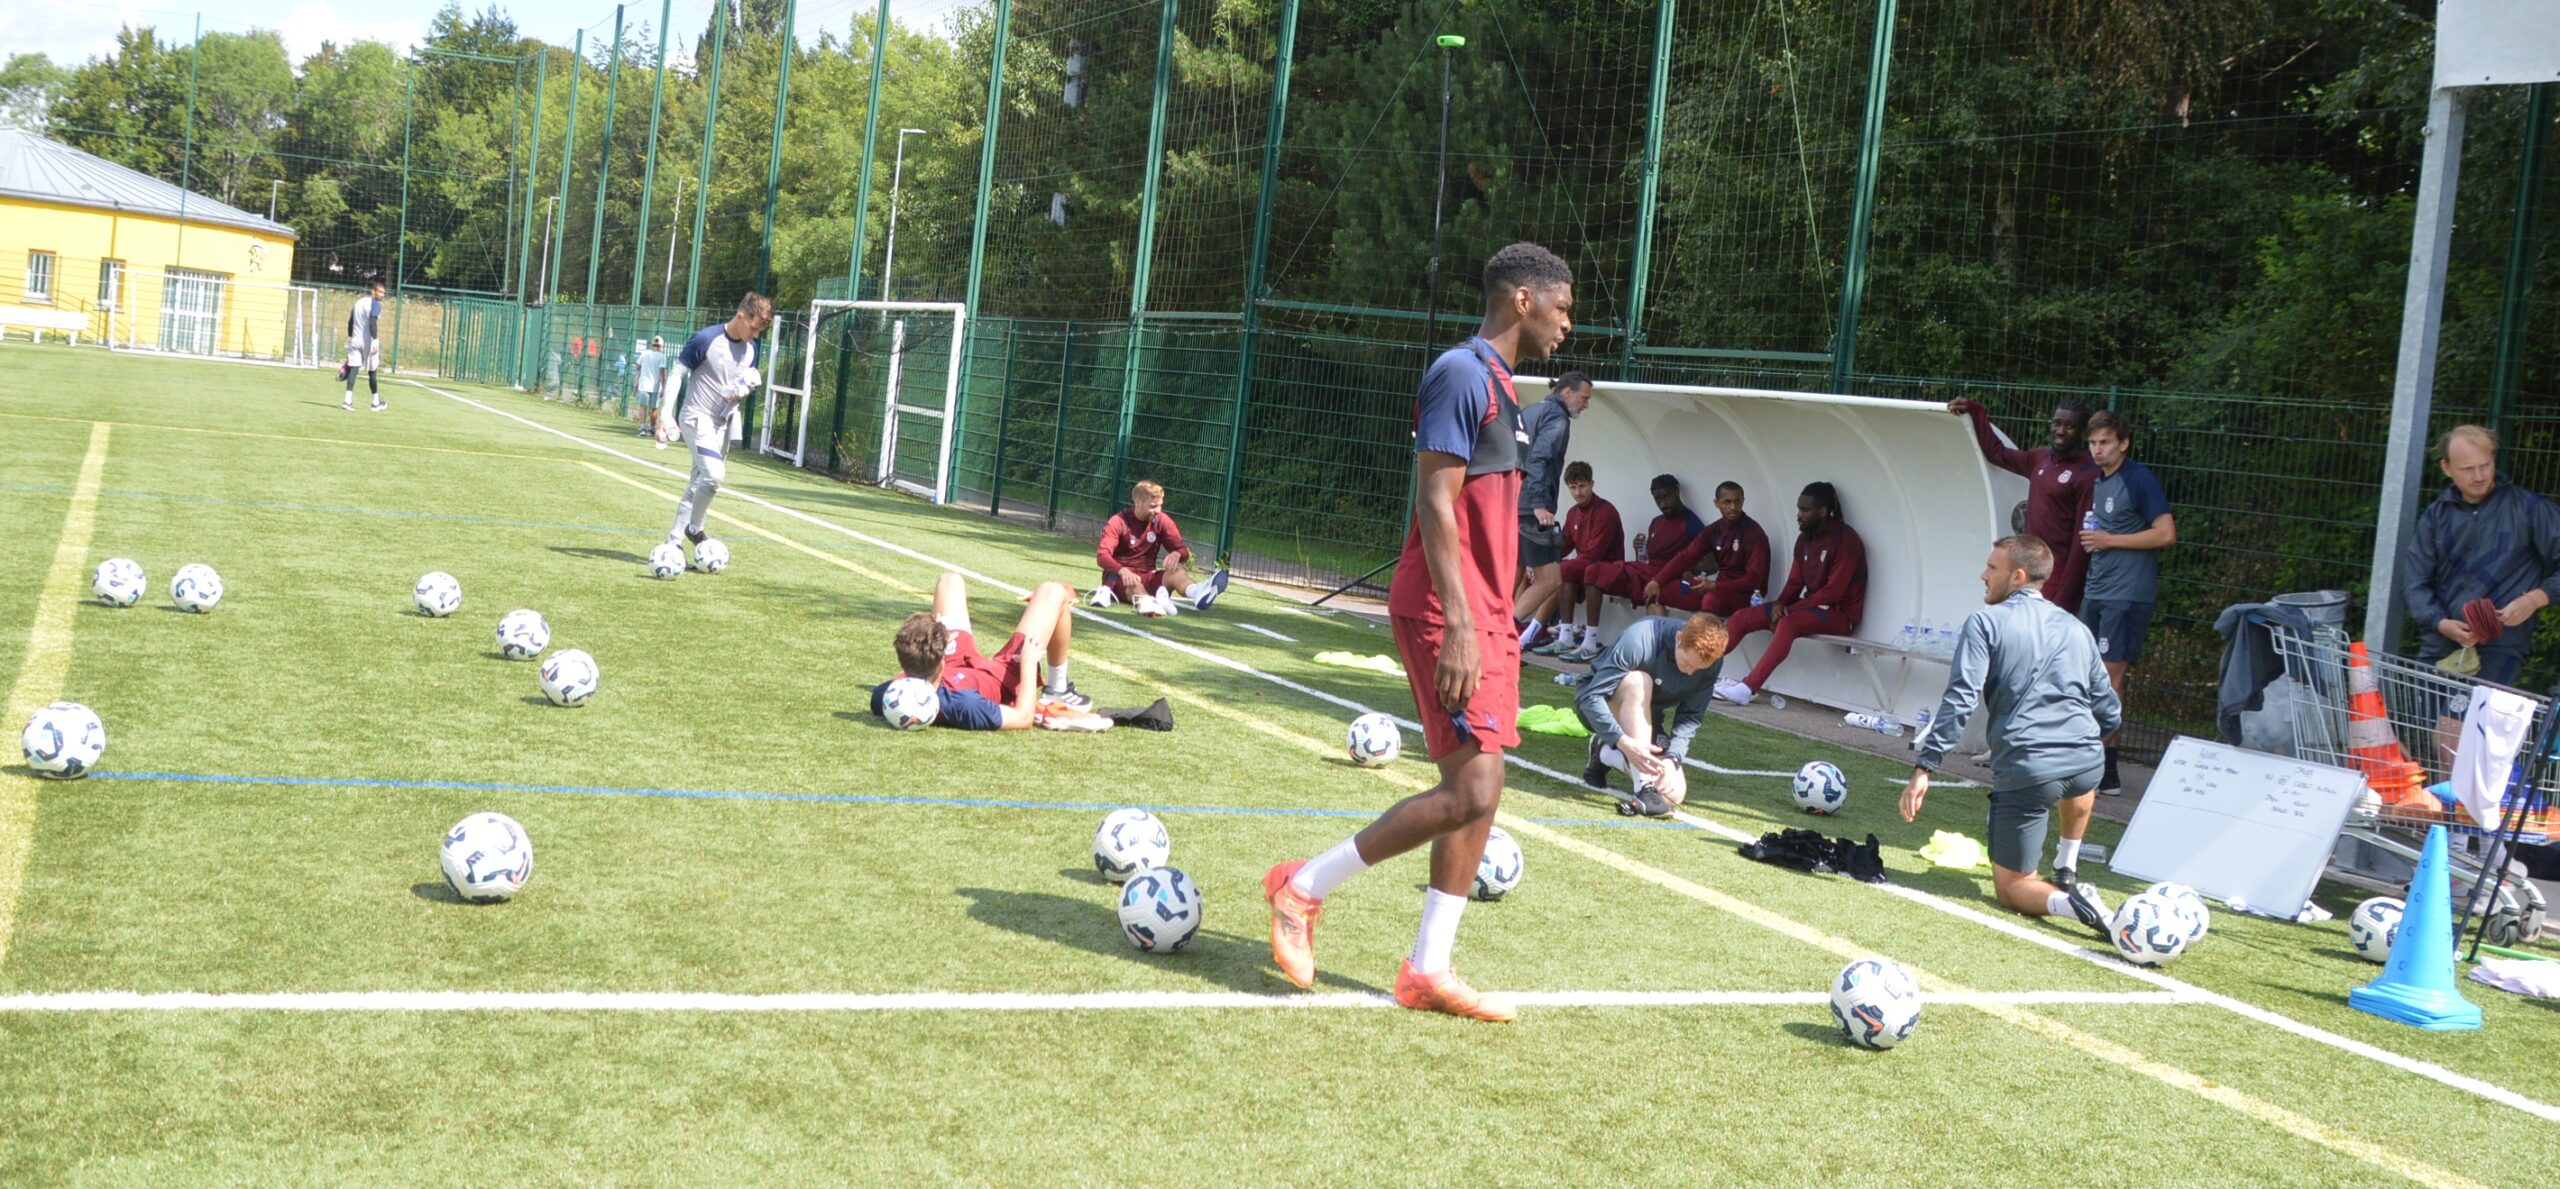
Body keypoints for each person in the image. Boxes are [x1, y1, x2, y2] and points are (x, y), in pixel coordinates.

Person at [1263, 241, 1574, 1023]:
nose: (1568, 323)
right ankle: (1302, 887)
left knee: (1482, 794)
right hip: (1446, 609)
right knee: (1473, 786)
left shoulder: (1505, 387)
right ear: (1524, 300)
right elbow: (1436, 500)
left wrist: (1500, 616)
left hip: (1489, 615)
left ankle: (1429, 968)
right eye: (1563, 307)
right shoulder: (1461, 373)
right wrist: (1463, 623)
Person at [1899, 536, 2116, 938]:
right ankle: (2067, 867)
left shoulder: (1985, 622)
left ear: (2017, 576)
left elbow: (1961, 697)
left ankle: (2071, 902)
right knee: (2078, 772)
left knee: (2013, 888)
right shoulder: (2076, 627)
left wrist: (1925, 766)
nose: (1983, 575)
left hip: (2029, 768)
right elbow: (2109, 708)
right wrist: (2082, 738)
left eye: (1991, 568)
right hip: (2087, 763)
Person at [2403, 424, 2560, 691]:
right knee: (2424, 718)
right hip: (2440, 643)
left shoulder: (2531, 509)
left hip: (2501, 646)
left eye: (2485, 466)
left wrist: (2535, 599)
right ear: (2446, 467)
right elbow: (2415, 580)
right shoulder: (2435, 516)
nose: (2479, 476)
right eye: (2467, 469)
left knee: (2465, 719)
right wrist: (2440, 623)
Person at [2075, 411, 2175, 794]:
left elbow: (2165, 534)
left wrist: (2110, 541)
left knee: (2109, 676)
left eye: (2105, 442)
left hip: (2127, 593)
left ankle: (2107, 769)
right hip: (2098, 589)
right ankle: (2084, 757)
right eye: (2093, 443)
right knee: (2086, 672)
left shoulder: (2139, 479)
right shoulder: (2099, 480)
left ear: (2123, 444)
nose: (2097, 450)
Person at [870, 573, 1095, 730]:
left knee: (950, 581)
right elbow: (1023, 718)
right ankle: (1057, 688)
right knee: (1054, 592)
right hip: (1002, 676)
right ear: (941, 660)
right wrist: (1028, 664)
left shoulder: (887, 694)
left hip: (956, 667)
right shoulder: (964, 704)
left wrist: (934, 631)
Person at [1716, 482, 1866, 705]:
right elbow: (1795, 582)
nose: (1799, 515)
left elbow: (1832, 593)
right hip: (1808, 607)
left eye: (1805, 510)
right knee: (1741, 617)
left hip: (1839, 614)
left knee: (1788, 624)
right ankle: (1699, 668)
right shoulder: (1804, 539)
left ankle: (1747, 688)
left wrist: (1789, 610)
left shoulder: (1846, 541)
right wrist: (1781, 604)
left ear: (1823, 511)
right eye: (1799, 509)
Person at [1574, 612, 1729, 818]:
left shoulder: (1713, 663)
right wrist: (1621, 740)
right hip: (1602, 708)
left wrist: (1673, 758)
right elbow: (1591, 698)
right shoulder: (1639, 640)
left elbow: (1690, 717)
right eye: (1687, 663)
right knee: (1638, 681)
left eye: (1699, 669)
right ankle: (1643, 787)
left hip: (1648, 718)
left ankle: (1605, 754)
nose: (1690, 672)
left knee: (1673, 793)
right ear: (1679, 638)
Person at [1946, 397, 2096, 610]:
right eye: (2057, 423)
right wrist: (1976, 411)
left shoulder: (2087, 474)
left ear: (2083, 432)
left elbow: (2081, 542)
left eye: (2069, 426)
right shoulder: (2040, 459)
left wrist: (2066, 595)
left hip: (2056, 576)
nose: (2061, 431)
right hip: (2027, 570)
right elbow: (1997, 453)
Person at [654, 293, 777, 549]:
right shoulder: (706, 339)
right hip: (696, 417)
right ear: (741, 316)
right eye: (754, 328)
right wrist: (665, 414)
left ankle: (674, 542)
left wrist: (743, 389)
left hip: (723, 423)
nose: (756, 335)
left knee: (699, 482)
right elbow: (677, 373)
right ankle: (695, 529)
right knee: (713, 475)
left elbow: (737, 383)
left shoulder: (751, 349)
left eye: (760, 331)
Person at [1570, 475, 1707, 652]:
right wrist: (1639, 549)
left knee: (1655, 595)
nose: (1663, 503)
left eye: (1666, 497)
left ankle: (1658, 651)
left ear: (1676, 492)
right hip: (1645, 574)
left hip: (1667, 579)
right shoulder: (1656, 522)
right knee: (1594, 571)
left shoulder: (1691, 523)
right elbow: (1649, 560)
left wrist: (1688, 570)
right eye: (1658, 499)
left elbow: (1709, 562)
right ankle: (1588, 640)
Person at [1513, 371, 1595, 651]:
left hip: (1511, 501)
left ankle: (1494, 634)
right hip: (1530, 507)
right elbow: (1538, 458)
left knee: (1512, 576)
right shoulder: (1558, 419)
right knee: (1551, 579)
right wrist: (1539, 504)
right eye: (1584, 398)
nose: (1586, 405)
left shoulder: (1530, 410)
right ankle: (1505, 637)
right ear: (1567, 393)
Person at [1527, 461, 1622, 659]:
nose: (1578, 492)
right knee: (1563, 570)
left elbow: (1595, 554)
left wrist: (1556, 567)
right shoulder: (1573, 513)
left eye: (1582, 486)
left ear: (1592, 484)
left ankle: (1590, 642)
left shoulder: (1606, 511)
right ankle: (1565, 637)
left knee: (1567, 569)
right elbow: (1564, 546)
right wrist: (1542, 564)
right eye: (1573, 487)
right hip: (1586, 567)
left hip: (1611, 569)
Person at [1641, 480, 1769, 622]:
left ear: (1743, 501)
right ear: (1717, 503)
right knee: (1659, 592)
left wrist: (1716, 585)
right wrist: (1656, 581)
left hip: (1744, 594)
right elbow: (1686, 556)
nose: (1733, 507)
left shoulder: (1753, 534)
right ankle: (1658, 635)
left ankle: (1706, 636)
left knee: (1711, 599)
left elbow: (1753, 580)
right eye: (1727, 502)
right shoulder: (1714, 530)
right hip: (1718, 588)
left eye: (1737, 502)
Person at [1096, 480, 1229, 615]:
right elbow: (1102, 556)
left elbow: (1183, 551)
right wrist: (1122, 570)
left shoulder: (1162, 520)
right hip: (1120, 578)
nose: (1158, 511)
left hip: (1148, 575)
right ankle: (1149, 602)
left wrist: (1177, 554)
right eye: (1153, 506)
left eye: (1160, 505)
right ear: (1138, 502)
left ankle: (1196, 593)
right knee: (1134, 583)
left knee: (1177, 572)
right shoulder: (1118, 522)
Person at [340, 278, 386, 412]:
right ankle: (375, 403)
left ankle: (347, 401)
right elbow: (372, 322)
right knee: (372, 371)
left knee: (354, 369)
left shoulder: (358, 302)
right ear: (373, 291)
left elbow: (350, 321)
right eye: (380, 292)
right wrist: (375, 340)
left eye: (383, 293)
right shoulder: (375, 304)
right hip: (368, 342)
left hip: (355, 340)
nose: (382, 295)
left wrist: (350, 337)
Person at [633, 336, 667, 435]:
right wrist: (663, 387)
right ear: (661, 346)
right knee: (654, 408)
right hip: (655, 387)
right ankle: (652, 428)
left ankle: (642, 428)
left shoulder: (645, 353)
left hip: (644, 384)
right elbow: (661, 373)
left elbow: (638, 366)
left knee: (643, 407)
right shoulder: (662, 356)